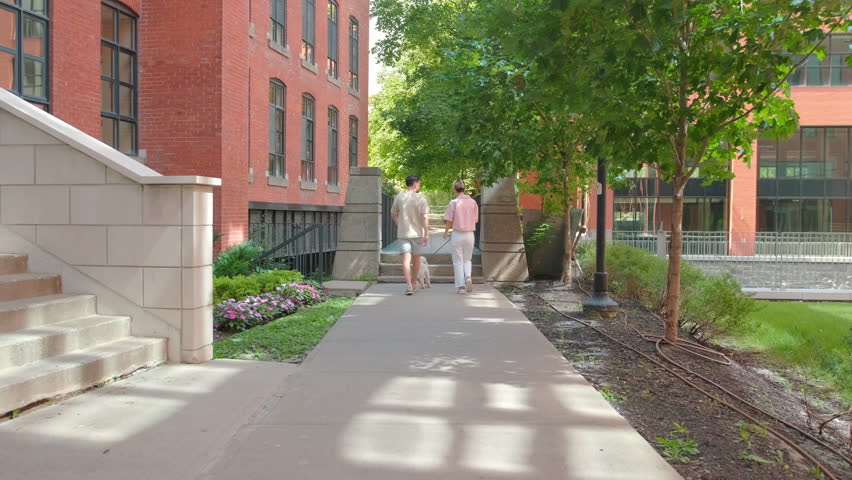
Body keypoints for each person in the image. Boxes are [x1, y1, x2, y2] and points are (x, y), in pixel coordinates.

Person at [390, 175, 430, 295]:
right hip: (417, 234)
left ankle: (408, 285)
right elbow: (425, 217)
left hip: (403, 233)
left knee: (406, 260)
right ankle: (413, 283)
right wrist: (426, 233)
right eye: (419, 184)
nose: (419, 186)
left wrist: (399, 223)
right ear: (415, 184)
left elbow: (393, 213)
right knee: (416, 260)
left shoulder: (399, 197)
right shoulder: (421, 198)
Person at [443, 180, 479, 294]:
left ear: (454, 189)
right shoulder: (473, 202)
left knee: (458, 261)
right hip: (469, 235)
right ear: (464, 188)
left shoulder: (453, 202)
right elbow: (475, 220)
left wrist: (445, 232)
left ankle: (461, 287)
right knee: (467, 259)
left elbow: (449, 220)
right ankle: (468, 277)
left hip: (457, 234)